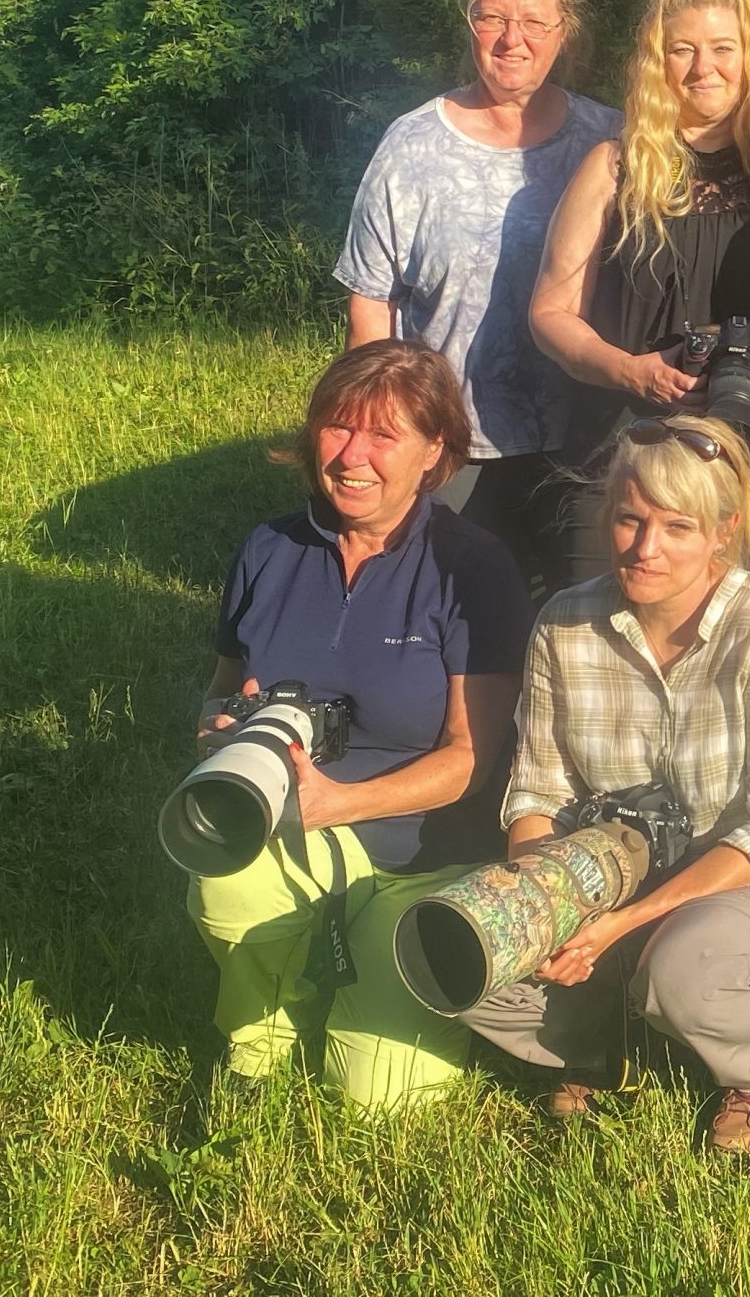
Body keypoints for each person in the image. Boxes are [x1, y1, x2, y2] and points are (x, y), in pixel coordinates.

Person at [461, 416, 750, 1156]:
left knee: (686, 964)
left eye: (677, 526)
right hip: (607, 870)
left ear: (724, 531)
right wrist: (543, 905)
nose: (645, 548)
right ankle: (605, 1040)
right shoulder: (563, 622)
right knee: (473, 949)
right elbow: (537, 791)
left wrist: (622, 926)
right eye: (630, 519)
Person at [189, 341, 529, 1107]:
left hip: (427, 852)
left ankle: (351, 958)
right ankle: (259, 1033)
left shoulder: (472, 567)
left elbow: (471, 758)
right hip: (289, 824)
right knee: (224, 885)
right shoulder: (269, 548)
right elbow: (218, 690)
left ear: (434, 450)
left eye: (383, 434)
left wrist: (340, 803)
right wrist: (217, 734)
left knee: (378, 1097)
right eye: (338, 426)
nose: (352, 456)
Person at [530, 0, 750, 589]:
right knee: (601, 631)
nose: (705, 68)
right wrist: (629, 369)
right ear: (658, 62)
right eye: (683, 50)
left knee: (744, 635)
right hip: (629, 455)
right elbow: (550, 314)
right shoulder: (614, 168)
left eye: (724, 48)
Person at [334, 0, 621, 590]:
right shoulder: (412, 146)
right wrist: (382, 436)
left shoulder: (610, 140)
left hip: (586, 440)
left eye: (534, 22)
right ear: (469, 25)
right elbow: (370, 301)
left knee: (578, 620)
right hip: (450, 443)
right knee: (454, 615)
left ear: (564, 32)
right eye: (492, 17)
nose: (512, 39)